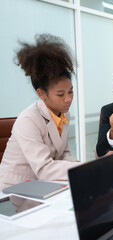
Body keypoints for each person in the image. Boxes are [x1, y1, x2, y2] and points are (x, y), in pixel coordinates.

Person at [0, 34, 82, 191]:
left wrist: (76, 165)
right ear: (41, 94)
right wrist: (79, 168)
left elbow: (64, 153)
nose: (68, 99)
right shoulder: (28, 119)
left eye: (70, 92)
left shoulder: (64, 114)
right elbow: (44, 169)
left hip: (44, 186)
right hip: (14, 191)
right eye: (60, 94)